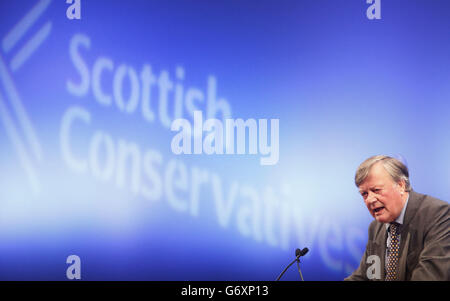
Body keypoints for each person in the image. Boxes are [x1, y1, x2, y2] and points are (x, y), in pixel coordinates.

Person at [345, 155, 449, 281]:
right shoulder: (375, 228)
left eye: (376, 190)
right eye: (364, 194)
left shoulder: (438, 215)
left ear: (401, 186)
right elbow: (365, 277)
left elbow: (430, 276)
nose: (370, 200)